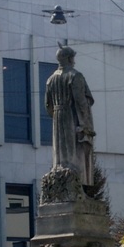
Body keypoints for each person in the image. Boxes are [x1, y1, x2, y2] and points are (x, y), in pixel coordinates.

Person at [45, 44, 96, 189]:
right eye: (73, 58)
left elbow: (47, 105)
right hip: (72, 116)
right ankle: (73, 176)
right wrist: (85, 123)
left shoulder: (50, 79)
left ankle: (60, 170)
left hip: (57, 116)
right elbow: (81, 101)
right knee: (73, 150)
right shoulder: (75, 76)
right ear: (68, 58)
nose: (74, 61)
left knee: (60, 151)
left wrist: (56, 114)